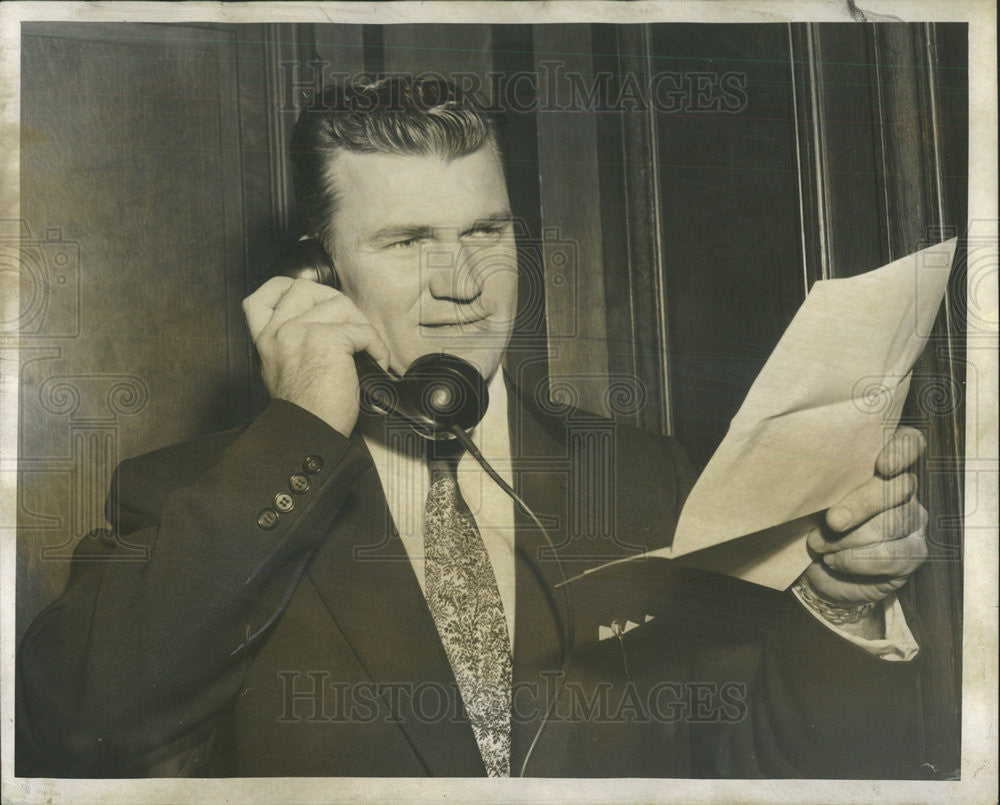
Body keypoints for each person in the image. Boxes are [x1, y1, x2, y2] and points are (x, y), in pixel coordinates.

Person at [17, 77, 930, 779]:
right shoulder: (194, 496)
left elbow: (766, 768)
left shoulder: (642, 474)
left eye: (486, 232)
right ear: (320, 274)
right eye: (409, 241)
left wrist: (842, 607)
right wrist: (299, 430)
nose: (463, 282)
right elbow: (74, 729)